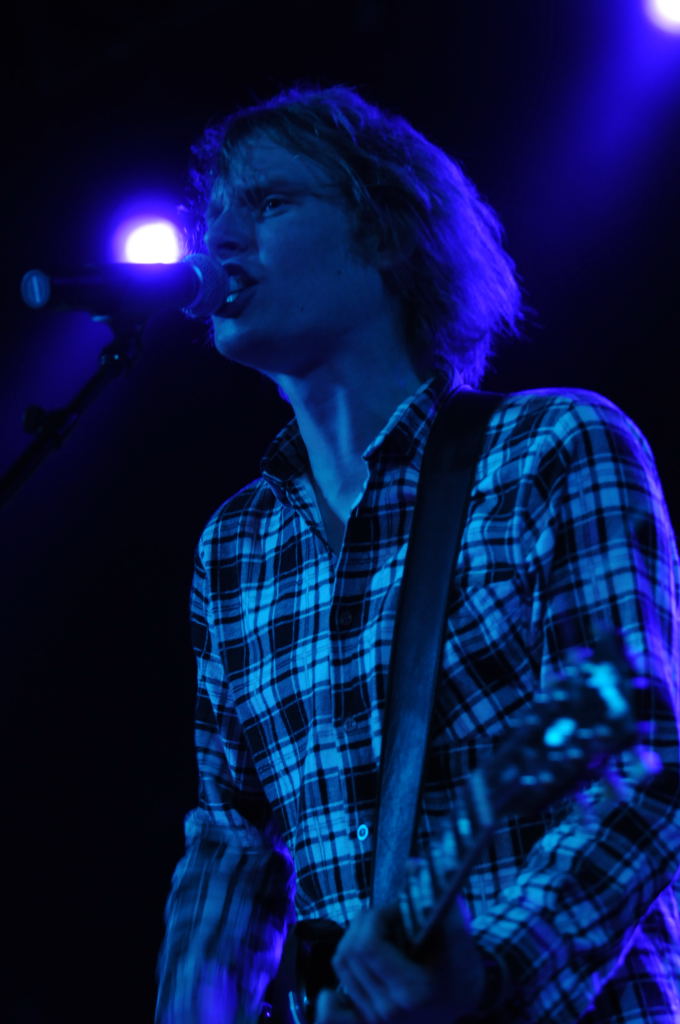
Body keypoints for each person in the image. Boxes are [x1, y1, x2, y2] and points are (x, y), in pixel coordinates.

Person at [155, 84, 680, 1024]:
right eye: (213, 216)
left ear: (389, 232)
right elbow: (232, 848)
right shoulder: (237, 545)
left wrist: (491, 971)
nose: (217, 242)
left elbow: (638, 760)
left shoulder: (550, 449)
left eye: (270, 202)